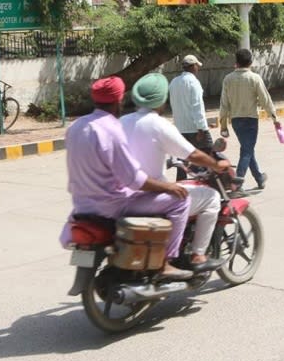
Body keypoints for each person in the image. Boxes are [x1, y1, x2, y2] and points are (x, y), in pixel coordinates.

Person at [58, 75, 193, 281]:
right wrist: (167, 187)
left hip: (81, 206)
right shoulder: (112, 129)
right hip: (113, 206)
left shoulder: (76, 127)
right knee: (181, 200)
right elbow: (134, 180)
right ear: (119, 101)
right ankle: (167, 262)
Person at [121, 73, 229, 272]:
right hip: (148, 195)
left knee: (180, 188)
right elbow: (193, 154)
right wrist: (215, 165)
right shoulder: (158, 124)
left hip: (122, 197)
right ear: (162, 100)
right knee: (211, 197)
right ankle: (196, 255)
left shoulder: (123, 121)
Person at [219, 48, 280, 189]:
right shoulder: (254, 78)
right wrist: (274, 117)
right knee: (247, 150)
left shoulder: (228, 79)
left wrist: (223, 124)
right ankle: (237, 181)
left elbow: (224, 103)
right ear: (250, 62)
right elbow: (265, 100)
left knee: (247, 149)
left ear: (236, 62)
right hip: (251, 120)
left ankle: (259, 178)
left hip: (236, 121)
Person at [168, 54, 212, 180]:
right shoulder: (194, 82)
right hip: (194, 128)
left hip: (180, 128)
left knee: (182, 159)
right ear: (192, 66)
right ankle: (206, 183)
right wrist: (201, 128)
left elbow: (173, 104)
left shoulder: (174, 82)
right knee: (209, 156)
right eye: (197, 66)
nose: (198, 68)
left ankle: (181, 184)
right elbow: (197, 107)